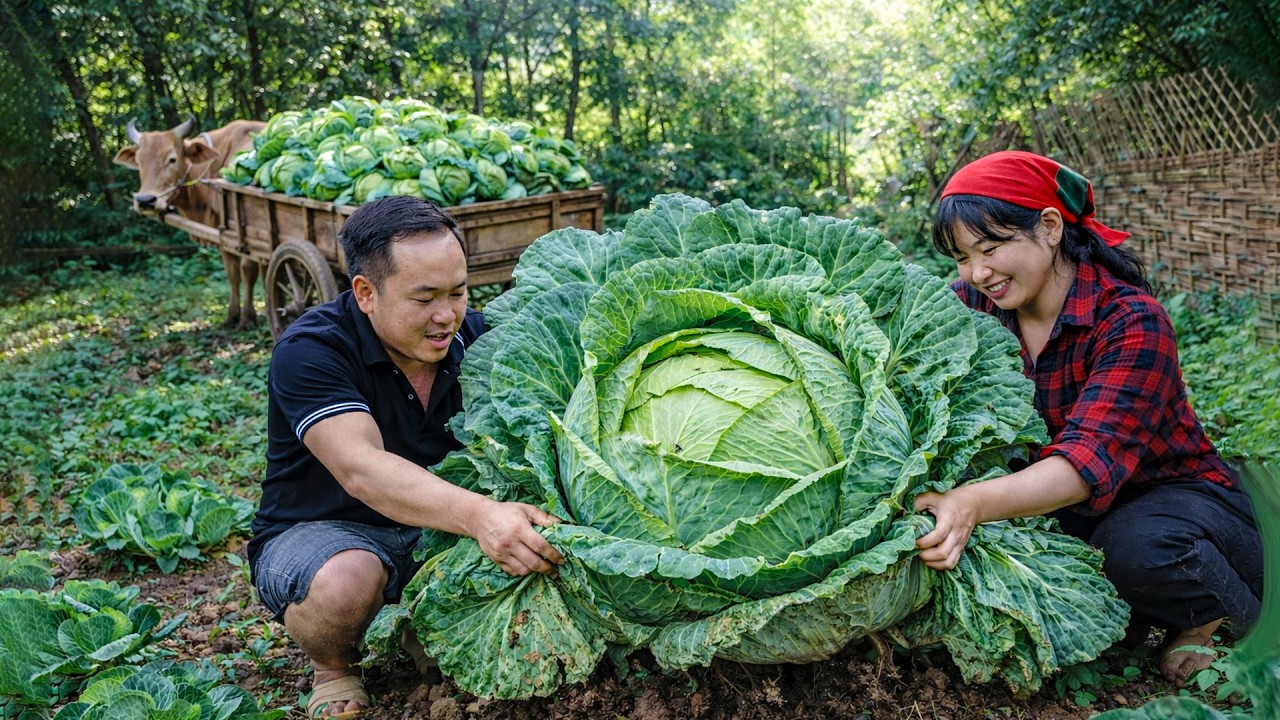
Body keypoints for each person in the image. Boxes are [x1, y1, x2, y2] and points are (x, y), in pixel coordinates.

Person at [913, 150, 1263, 687]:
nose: (977, 272)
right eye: (961, 257)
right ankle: (1140, 609)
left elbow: (1083, 464)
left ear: (1050, 227)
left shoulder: (1131, 320)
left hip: (1173, 501)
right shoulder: (967, 306)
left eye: (991, 247)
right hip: (1052, 501)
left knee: (1135, 552)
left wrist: (970, 503)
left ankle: (1216, 619)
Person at [247, 195, 565, 718]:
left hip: (437, 530)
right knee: (346, 584)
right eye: (424, 299)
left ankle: (421, 623)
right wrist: (484, 516)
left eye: (459, 292)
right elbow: (361, 469)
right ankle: (335, 666)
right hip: (327, 530)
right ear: (366, 293)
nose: (447, 315)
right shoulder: (312, 348)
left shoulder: (480, 341)